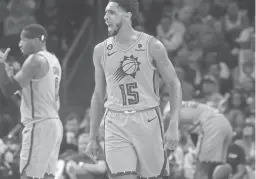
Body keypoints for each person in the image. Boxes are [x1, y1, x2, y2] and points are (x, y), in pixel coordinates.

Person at [86, 0, 182, 179]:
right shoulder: (100, 51)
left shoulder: (152, 45)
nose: (105, 17)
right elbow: (98, 94)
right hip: (115, 120)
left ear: (128, 15)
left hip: (147, 119)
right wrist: (92, 137)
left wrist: (174, 124)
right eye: (105, 13)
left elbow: (174, 83)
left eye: (112, 13)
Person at [0, 24, 63, 179]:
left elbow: (8, 91)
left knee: (28, 175)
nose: (19, 44)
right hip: (53, 124)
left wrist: (1, 65)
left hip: (39, 124)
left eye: (23, 39)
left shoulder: (35, 59)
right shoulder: (53, 60)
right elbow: (31, 94)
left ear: (36, 40)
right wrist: (9, 76)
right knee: (47, 176)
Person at [170, 101, 233, 179]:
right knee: (217, 165)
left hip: (211, 125)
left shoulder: (167, 112)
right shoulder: (178, 103)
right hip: (224, 123)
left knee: (201, 168)